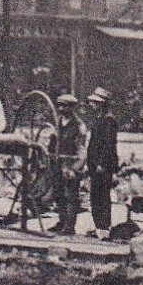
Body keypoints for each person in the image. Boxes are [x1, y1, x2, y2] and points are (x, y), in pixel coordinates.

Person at [48, 93, 87, 236]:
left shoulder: (79, 126)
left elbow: (81, 149)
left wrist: (74, 168)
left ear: (72, 108)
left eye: (65, 106)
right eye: (59, 105)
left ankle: (70, 226)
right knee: (58, 193)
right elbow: (52, 143)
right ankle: (61, 221)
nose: (61, 108)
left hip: (71, 164)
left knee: (71, 195)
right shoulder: (57, 123)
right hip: (57, 163)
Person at [83, 87, 118, 235]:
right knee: (95, 196)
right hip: (95, 163)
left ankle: (104, 228)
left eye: (95, 102)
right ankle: (99, 227)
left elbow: (109, 144)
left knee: (102, 196)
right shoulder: (99, 118)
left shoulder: (108, 119)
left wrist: (102, 163)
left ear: (102, 103)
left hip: (102, 165)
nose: (92, 104)